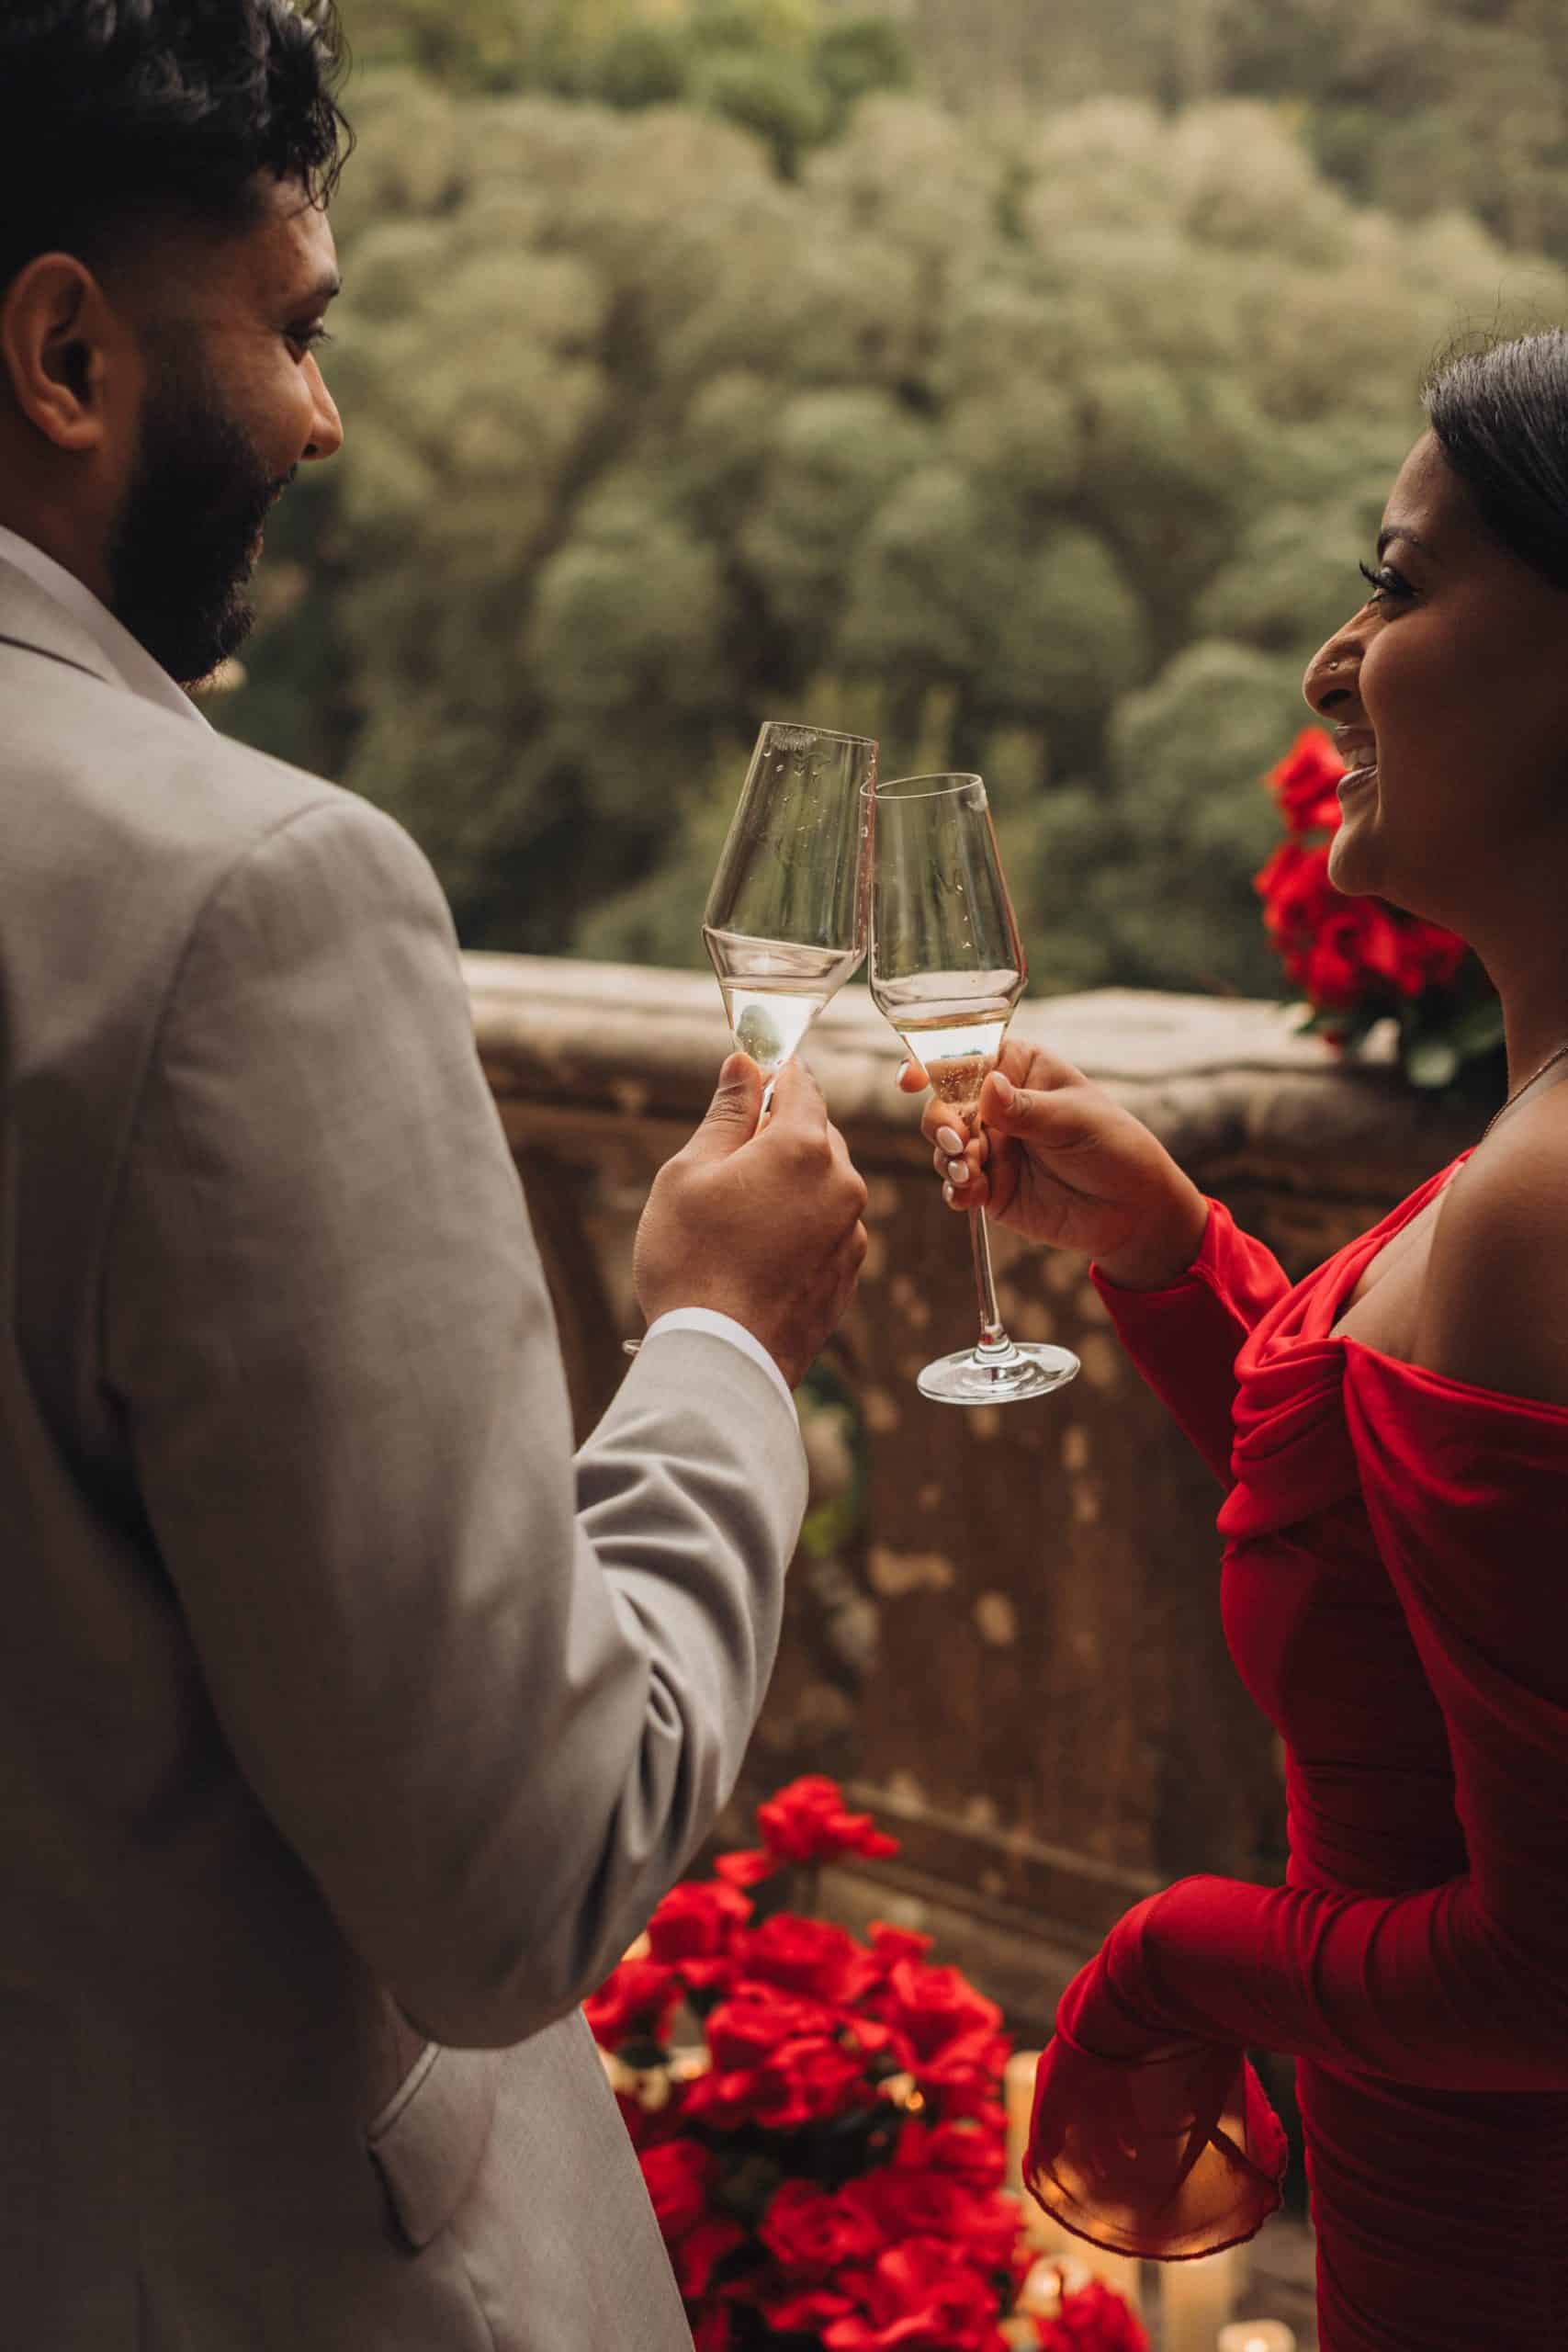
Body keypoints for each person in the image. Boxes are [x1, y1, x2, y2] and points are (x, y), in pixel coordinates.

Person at [0, 6, 867, 2347]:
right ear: (64, 351)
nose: (322, 415)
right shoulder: (239, 898)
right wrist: (715, 1344)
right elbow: (510, 1869)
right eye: (289, 326)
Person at [910, 330, 1568, 2351]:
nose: (1328, 659)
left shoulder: (1550, 1196)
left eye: (1392, 578)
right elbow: (1423, 1544)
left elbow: (1543, 1973)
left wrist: (1167, 1962)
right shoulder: (1529, 1150)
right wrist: (1173, 1250)